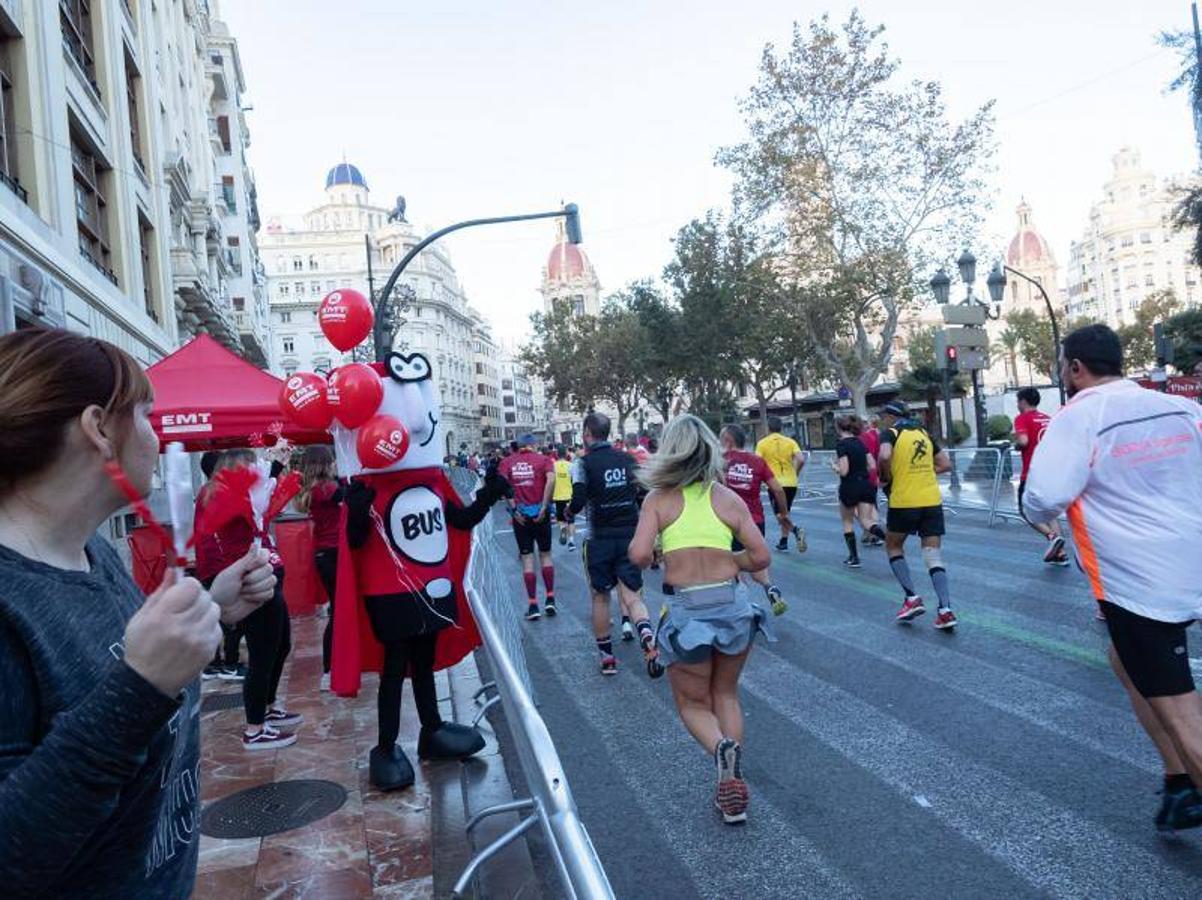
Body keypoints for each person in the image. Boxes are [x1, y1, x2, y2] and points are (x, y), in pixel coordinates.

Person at [0, 328, 276, 898]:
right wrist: (140, 687)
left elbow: (111, 661)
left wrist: (211, 608)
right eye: (147, 415)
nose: (156, 436)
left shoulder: (93, 551)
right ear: (99, 428)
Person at [1024, 324, 1202, 832]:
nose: (1063, 374)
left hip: (1140, 582)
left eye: (1063, 365)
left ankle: (1189, 778)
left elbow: (1043, 498)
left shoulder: (1078, 417)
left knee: (1178, 702)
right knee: (1123, 662)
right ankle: (1178, 780)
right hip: (1191, 558)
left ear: (1076, 368)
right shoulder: (1183, 409)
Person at [630, 415, 774, 825]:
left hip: (688, 610)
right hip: (732, 605)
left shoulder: (658, 500)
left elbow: (639, 556)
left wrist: (660, 552)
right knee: (726, 694)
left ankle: (721, 752)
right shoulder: (726, 498)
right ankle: (732, 785)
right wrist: (731, 559)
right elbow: (761, 557)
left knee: (693, 703)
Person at [196, 449, 300, 749]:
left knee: (281, 646)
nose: (257, 471)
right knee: (263, 654)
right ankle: (255, 727)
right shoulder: (217, 495)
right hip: (249, 581)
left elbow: (266, 494)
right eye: (250, 466)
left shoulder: (239, 494)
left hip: (261, 575)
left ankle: (267, 707)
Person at [570, 413, 662, 676]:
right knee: (632, 596)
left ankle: (607, 657)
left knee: (600, 598)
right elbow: (644, 493)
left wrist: (567, 513)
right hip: (629, 537)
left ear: (588, 433)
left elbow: (577, 499)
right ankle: (646, 634)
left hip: (599, 539)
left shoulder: (582, 463)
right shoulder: (628, 459)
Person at [877, 400, 957, 630]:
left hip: (904, 500)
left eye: (884, 416)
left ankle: (911, 597)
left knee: (893, 546)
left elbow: (884, 456)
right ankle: (945, 609)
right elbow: (945, 464)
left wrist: (888, 475)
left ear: (892, 417)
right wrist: (922, 473)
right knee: (933, 555)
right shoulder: (924, 434)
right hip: (931, 500)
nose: (883, 420)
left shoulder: (890, 433)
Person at [719, 424, 790, 614]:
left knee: (734, 565)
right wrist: (783, 514)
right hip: (755, 521)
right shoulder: (758, 462)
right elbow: (777, 489)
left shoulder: (720, 462)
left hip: (728, 522)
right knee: (754, 559)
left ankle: (742, 607)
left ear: (728, 440)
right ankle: (769, 587)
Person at [295, 445, 343, 691]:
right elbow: (351, 498)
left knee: (337, 609)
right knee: (339, 611)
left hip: (324, 553)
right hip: (334, 553)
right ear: (326, 463)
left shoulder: (314, 489)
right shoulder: (329, 489)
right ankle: (330, 668)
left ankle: (332, 666)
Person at [198, 449, 246, 682]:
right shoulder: (216, 492)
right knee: (229, 614)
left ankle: (213, 663)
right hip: (218, 560)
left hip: (209, 559)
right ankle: (230, 663)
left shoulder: (206, 491)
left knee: (214, 613)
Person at [498, 433, 557, 620]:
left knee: (527, 558)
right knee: (546, 555)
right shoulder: (544, 460)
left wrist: (513, 509)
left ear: (518, 445)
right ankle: (550, 599)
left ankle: (533, 605)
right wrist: (545, 506)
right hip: (540, 513)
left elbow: (502, 485)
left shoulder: (507, 462)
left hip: (521, 516)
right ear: (534, 444)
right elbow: (552, 479)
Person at [1012, 387, 1068, 565]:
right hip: (1049, 472)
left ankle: (1052, 537)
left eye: (1018, 401)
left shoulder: (1022, 418)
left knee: (1024, 510)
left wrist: (1016, 446)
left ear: (1023, 402)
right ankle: (1060, 554)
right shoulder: (1047, 419)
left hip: (1031, 473)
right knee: (1049, 513)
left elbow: (1023, 441)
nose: (1017, 404)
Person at [833, 415, 887, 567]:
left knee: (847, 522)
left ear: (838, 428)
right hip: (866, 484)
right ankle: (888, 539)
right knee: (866, 520)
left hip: (849, 486)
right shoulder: (860, 442)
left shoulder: (842, 445)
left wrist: (835, 467)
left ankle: (854, 557)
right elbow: (871, 465)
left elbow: (844, 471)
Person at [755, 416, 806, 551]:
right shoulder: (790, 442)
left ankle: (796, 530)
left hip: (775, 483)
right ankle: (783, 542)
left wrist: (758, 480)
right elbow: (801, 459)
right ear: (781, 428)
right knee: (785, 512)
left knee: (780, 515)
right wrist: (795, 472)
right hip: (791, 482)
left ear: (768, 428)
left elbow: (758, 462)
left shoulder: (762, 443)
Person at [857, 416, 884, 545]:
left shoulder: (859, 438)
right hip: (872, 474)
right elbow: (879, 455)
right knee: (872, 503)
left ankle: (871, 532)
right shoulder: (876, 435)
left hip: (860, 475)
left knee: (860, 506)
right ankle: (871, 532)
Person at [552, 446, 577, 550]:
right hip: (569, 496)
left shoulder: (553, 466)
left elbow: (551, 481)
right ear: (566, 454)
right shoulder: (571, 466)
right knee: (571, 520)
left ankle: (562, 529)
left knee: (561, 519)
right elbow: (575, 481)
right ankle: (571, 541)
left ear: (557, 454)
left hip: (557, 496)